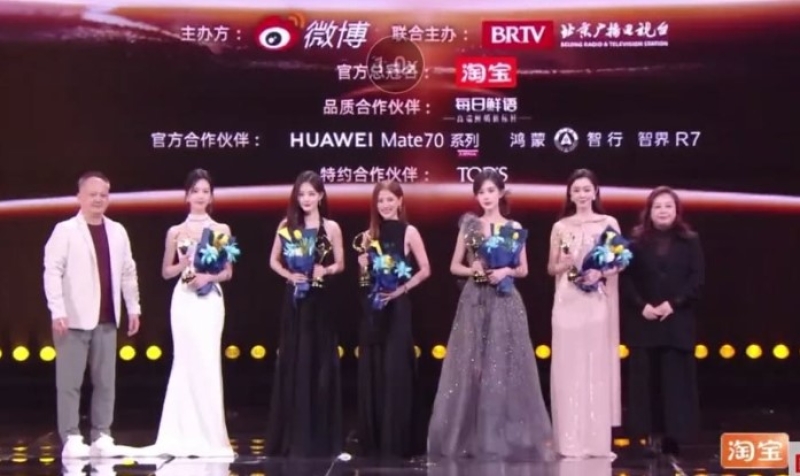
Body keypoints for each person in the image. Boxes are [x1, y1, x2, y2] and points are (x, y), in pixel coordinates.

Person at [427, 169, 553, 461]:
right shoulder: (470, 226)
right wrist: (473, 269)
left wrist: (506, 270)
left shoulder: (513, 227)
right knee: (472, 368)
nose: (486, 197)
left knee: (505, 368)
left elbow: (523, 269)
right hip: (475, 300)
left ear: (500, 193)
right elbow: (454, 266)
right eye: (481, 192)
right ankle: (468, 438)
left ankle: (504, 438)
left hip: (505, 301)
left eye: (490, 191)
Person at [43, 171, 141, 459]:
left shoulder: (118, 231)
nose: (98, 199)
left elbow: (128, 272)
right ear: (80, 197)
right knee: (69, 382)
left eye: (103, 195)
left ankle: (102, 434)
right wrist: (57, 309)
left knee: (105, 382)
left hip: (107, 317)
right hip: (72, 319)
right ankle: (71, 435)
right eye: (92, 194)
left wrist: (133, 306)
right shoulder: (65, 230)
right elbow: (52, 271)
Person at [137, 168, 235, 457]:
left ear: (211, 196)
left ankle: (210, 435)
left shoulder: (220, 230)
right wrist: (186, 265)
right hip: (184, 299)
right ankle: (181, 432)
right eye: (195, 191)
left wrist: (207, 277)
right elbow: (166, 271)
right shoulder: (176, 231)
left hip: (210, 300)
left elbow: (227, 272)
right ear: (187, 196)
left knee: (207, 362)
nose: (200, 196)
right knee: (185, 361)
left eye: (205, 191)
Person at [266, 170, 345, 457]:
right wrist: (289, 275)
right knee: (294, 361)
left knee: (319, 364)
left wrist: (326, 269)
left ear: (321, 196)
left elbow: (341, 263)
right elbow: (273, 260)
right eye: (302, 194)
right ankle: (293, 436)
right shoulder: (287, 225)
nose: (307, 199)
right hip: (295, 302)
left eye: (312, 194)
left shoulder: (331, 227)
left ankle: (320, 438)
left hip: (320, 302)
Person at [621, 186, 704, 458]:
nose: (663, 211)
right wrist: (641, 306)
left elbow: (697, 279)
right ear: (649, 211)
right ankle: (648, 437)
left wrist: (674, 303)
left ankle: (674, 438)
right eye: (657, 206)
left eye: (668, 206)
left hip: (676, 321)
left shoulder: (689, 240)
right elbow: (626, 279)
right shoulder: (634, 242)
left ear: (676, 210)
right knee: (647, 384)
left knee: (675, 381)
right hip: (645, 322)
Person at [546, 168, 623, 459]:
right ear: (569, 194)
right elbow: (551, 267)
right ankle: (569, 441)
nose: (581, 194)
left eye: (586, 189)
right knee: (568, 367)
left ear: (595, 192)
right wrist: (564, 264)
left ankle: (596, 442)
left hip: (595, 300)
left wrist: (600, 273)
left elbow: (619, 262)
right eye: (576, 190)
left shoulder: (608, 223)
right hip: (567, 300)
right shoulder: (560, 227)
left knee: (595, 366)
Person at [355, 180, 431, 459]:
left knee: (396, 370)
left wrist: (401, 289)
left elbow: (425, 269)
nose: (385, 205)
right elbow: (364, 281)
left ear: (400, 200)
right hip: (374, 309)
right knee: (374, 370)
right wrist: (363, 268)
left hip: (398, 306)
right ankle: (374, 439)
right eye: (380, 201)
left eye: (390, 199)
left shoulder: (410, 232)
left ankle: (397, 440)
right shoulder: (368, 235)